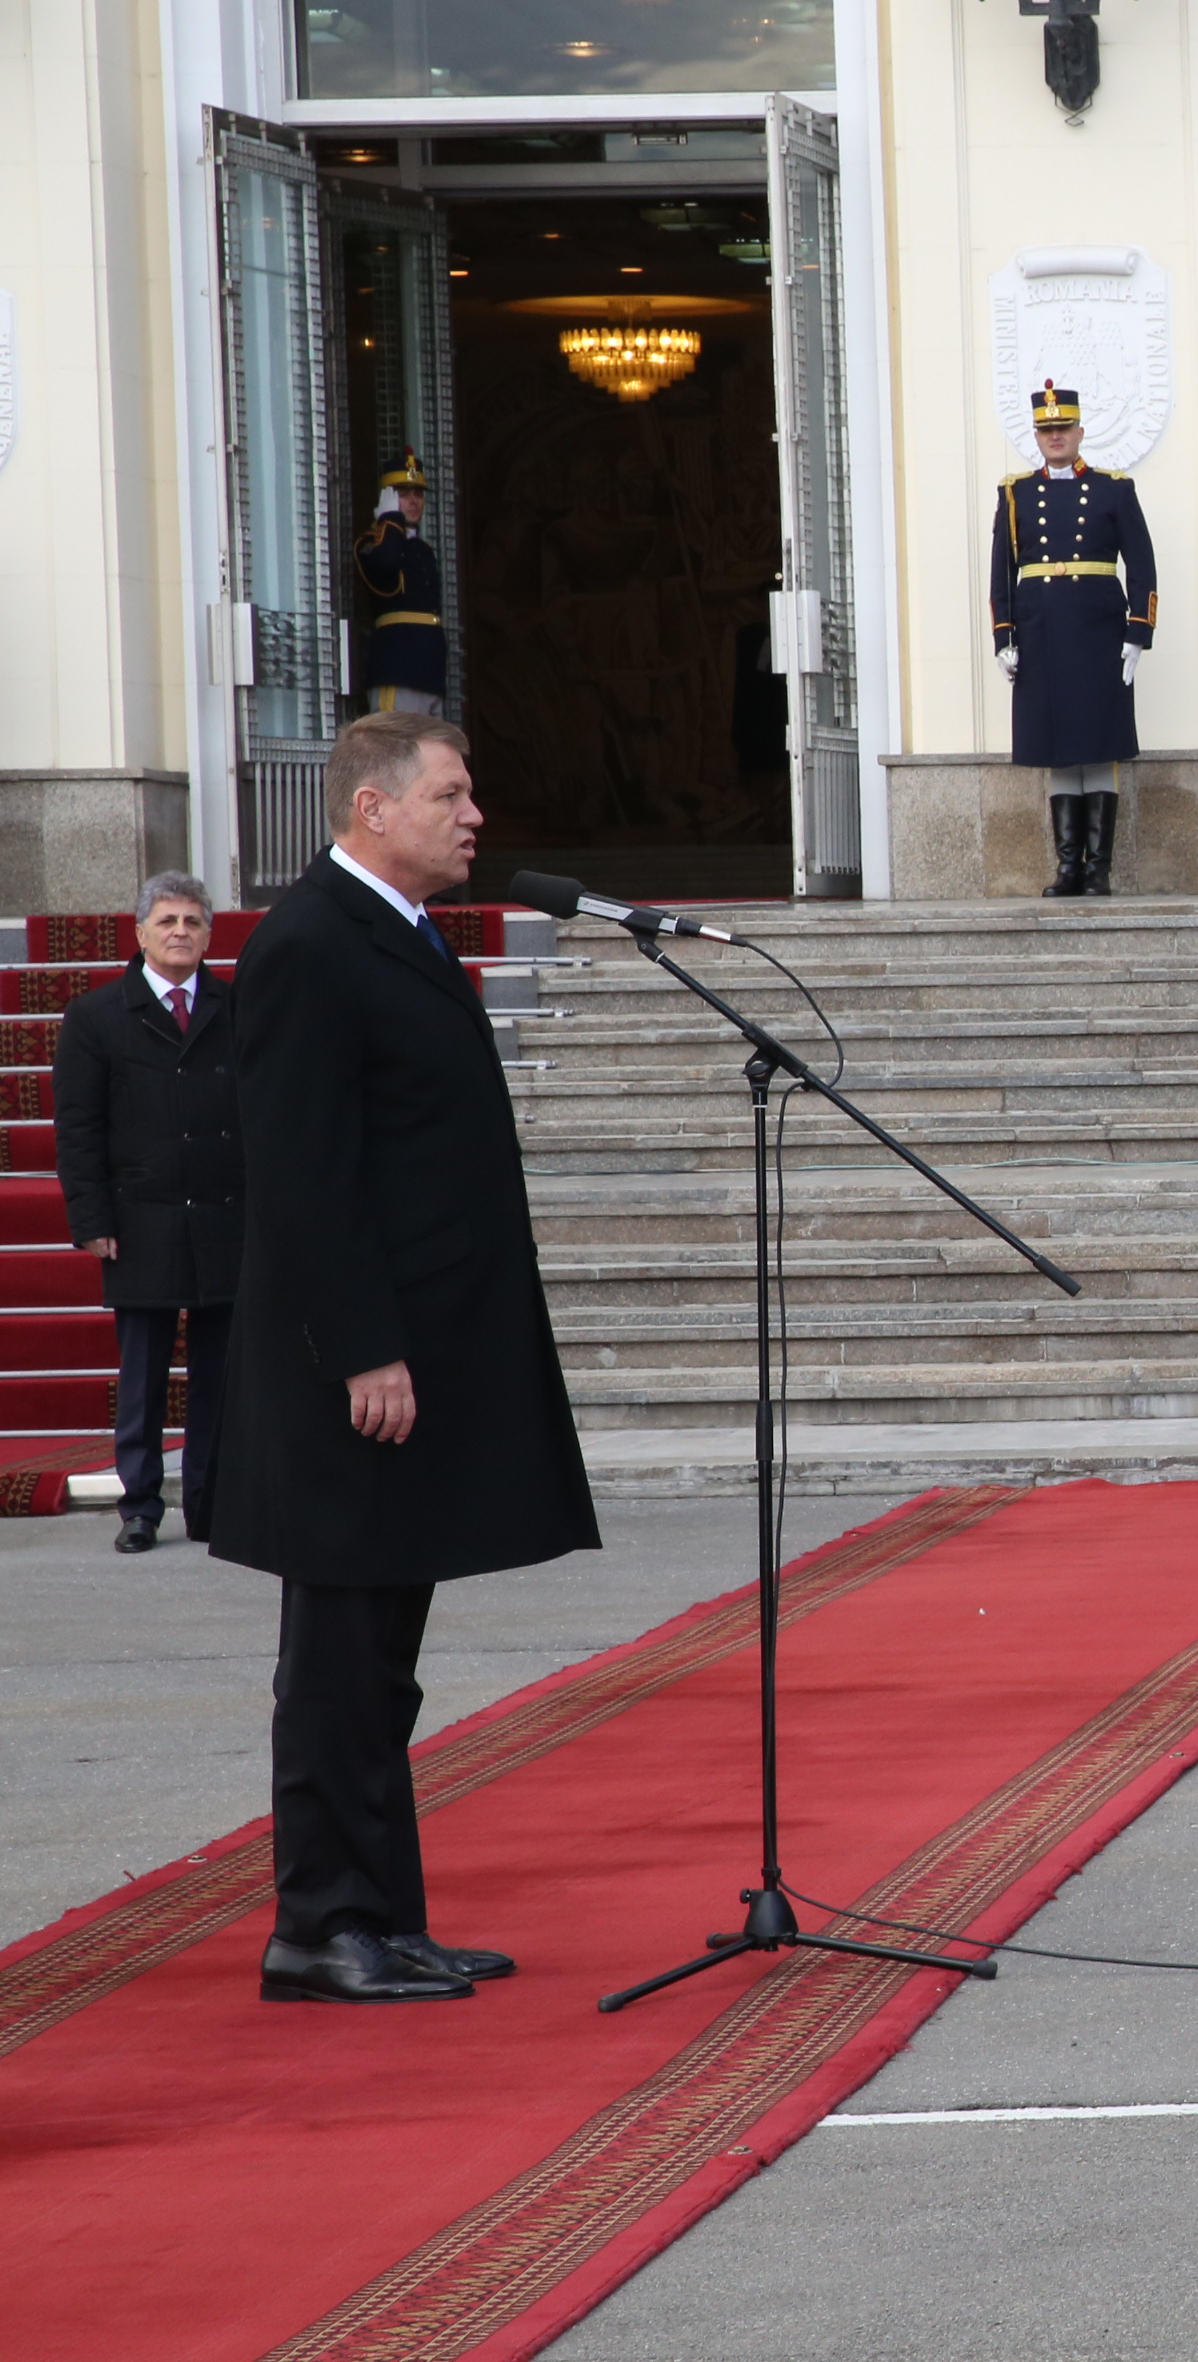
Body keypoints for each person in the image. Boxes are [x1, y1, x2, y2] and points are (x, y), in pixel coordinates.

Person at [220, 712, 599, 2004]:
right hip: (348, 1377)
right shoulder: (311, 946)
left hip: (411, 1355)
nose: (474, 813)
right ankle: (320, 1925)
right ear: (372, 808)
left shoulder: (399, 932)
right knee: (337, 1659)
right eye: (450, 793)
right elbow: (304, 1173)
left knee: (383, 1658)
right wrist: (363, 1350)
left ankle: (385, 1914)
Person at [54, 871, 240, 1556]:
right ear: (140, 933)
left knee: (222, 1374)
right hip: (142, 1222)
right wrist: (91, 1217)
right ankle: (139, 1505)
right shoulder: (97, 1016)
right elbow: (78, 1128)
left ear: (208, 934)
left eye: (193, 922)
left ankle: (212, 1502)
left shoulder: (236, 1005)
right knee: (144, 1373)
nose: (181, 933)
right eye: (167, 922)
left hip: (226, 1217)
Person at [989, 382, 1159, 898]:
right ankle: (1068, 868)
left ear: (1081, 432)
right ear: (1037, 437)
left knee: (1097, 745)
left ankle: (1098, 869)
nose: (1055, 437)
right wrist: (1004, 637)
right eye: (1046, 430)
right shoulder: (1015, 493)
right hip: (1042, 632)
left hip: (1097, 629)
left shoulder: (1114, 489)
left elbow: (1144, 566)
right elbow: (1002, 571)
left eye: (1063, 428)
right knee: (1057, 747)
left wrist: (1137, 633)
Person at [352, 455, 448, 720]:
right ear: (388, 499)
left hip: (428, 671)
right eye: (404, 494)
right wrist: (389, 519)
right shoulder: (371, 543)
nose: (414, 500)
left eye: (418, 493)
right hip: (398, 667)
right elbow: (386, 565)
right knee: (396, 753)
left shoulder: (423, 549)